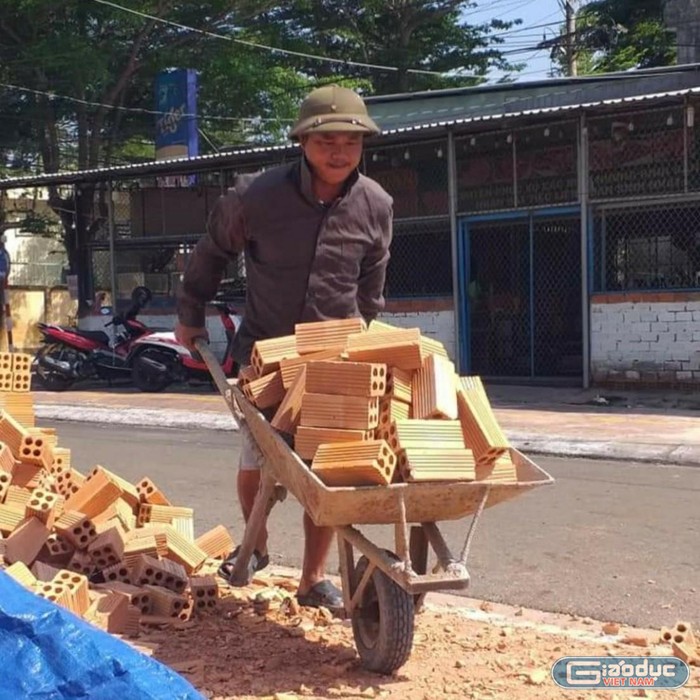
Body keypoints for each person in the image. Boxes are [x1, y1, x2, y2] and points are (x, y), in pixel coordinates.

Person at [175, 85, 393, 611]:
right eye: (326, 141)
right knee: (260, 457)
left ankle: (314, 578)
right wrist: (190, 315)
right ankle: (259, 543)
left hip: (334, 361)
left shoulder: (376, 204)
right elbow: (210, 253)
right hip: (266, 353)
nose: (339, 152)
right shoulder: (256, 197)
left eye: (350, 141)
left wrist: (364, 335)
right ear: (303, 141)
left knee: (327, 473)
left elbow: (372, 281)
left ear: (363, 144)